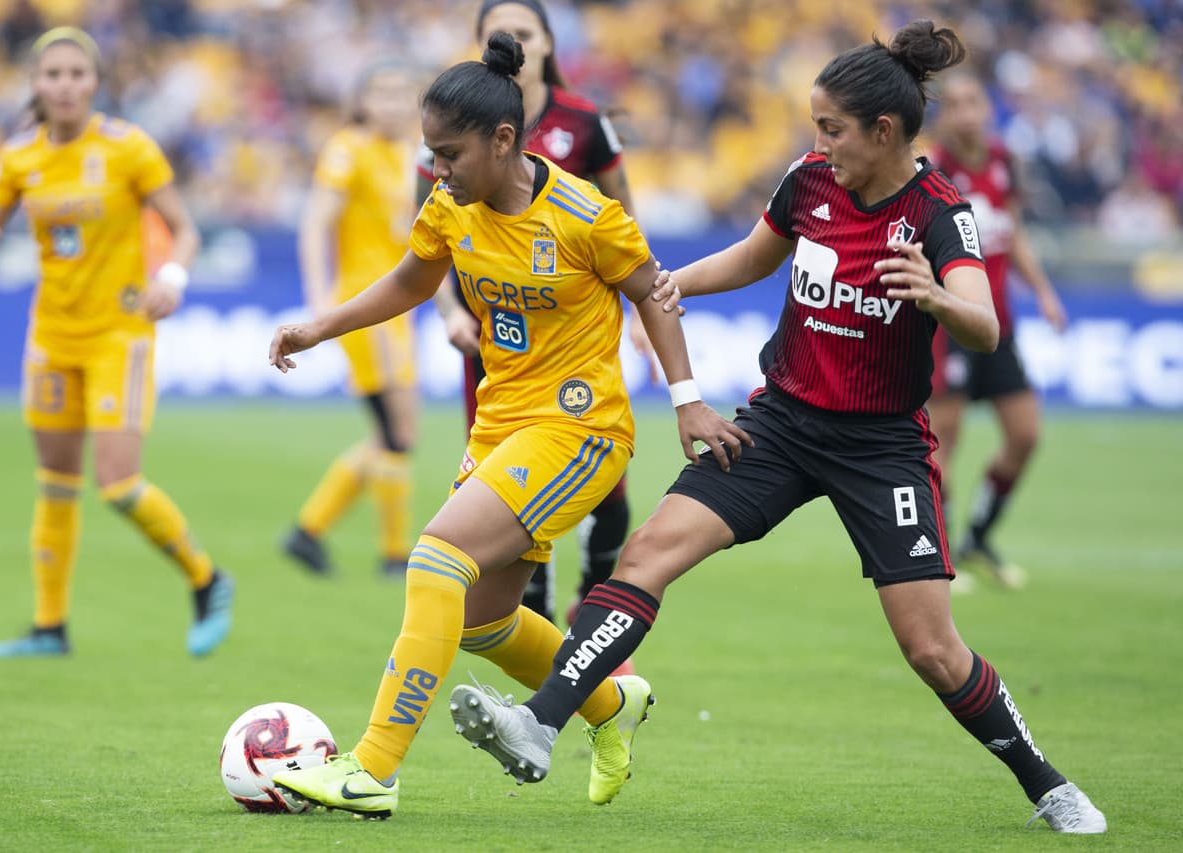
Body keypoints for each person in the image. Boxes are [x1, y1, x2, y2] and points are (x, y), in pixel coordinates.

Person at [450, 22, 1106, 834]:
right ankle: (541, 723)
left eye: (831, 128)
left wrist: (937, 299)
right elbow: (757, 256)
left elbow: (984, 325)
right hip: (782, 424)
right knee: (650, 552)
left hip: (882, 447)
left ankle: (1046, 782)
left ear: (884, 131)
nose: (817, 142)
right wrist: (662, 285)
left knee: (932, 649)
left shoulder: (939, 213)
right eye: (814, 127)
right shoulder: (809, 182)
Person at [264, 34, 749, 818]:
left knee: (434, 562)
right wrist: (321, 327)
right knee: (485, 620)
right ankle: (608, 706)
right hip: (501, 428)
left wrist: (687, 398)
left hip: (580, 431)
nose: (437, 168)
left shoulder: (589, 217)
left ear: (501, 139)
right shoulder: (451, 205)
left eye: (448, 152)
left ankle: (373, 769)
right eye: (430, 152)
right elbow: (411, 280)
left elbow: (654, 292)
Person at [0, 27, 233, 659]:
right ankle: (49, 628)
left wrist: (172, 275)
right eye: (52, 74)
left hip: (120, 335)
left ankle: (207, 579)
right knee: (55, 482)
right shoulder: (18, 156)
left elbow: (185, 229)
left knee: (118, 484)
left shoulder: (128, 147)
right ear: (35, 84)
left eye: (76, 74)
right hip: (51, 337)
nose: (64, 85)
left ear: (95, 82)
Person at [423, 0, 651, 639]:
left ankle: (592, 612)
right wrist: (448, 312)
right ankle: (540, 619)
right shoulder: (453, 129)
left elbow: (622, 213)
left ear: (549, 44)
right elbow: (429, 239)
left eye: (527, 32)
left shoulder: (584, 123)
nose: (518, 44)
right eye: (503, 34)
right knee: (500, 500)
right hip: (495, 334)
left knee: (608, 496)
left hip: (576, 339)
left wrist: (640, 307)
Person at [926, 72, 1067, 590]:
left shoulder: (1003, 162)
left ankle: (978, 537)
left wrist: (1045, 292)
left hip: (999, 326)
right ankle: (940, 557)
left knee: (1025, 434)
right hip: (952, 326)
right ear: (944, 114)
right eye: (955, 104)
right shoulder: (934, 171)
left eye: (973, 102)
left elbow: (1015, 235)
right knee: (944, 441)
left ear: (986, 108)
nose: (965, 113)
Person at [281, 62, 421, 579]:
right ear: (362, 102)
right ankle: (393, 553)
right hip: (363, 308)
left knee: (397, 431)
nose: (392, 104)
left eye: (401, 93)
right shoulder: (349, 148)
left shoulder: (409, 154)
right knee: (396, 430)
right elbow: (316, 224)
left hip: (397, 309)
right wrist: (320, 301)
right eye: (381, 93)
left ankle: (308, 530)